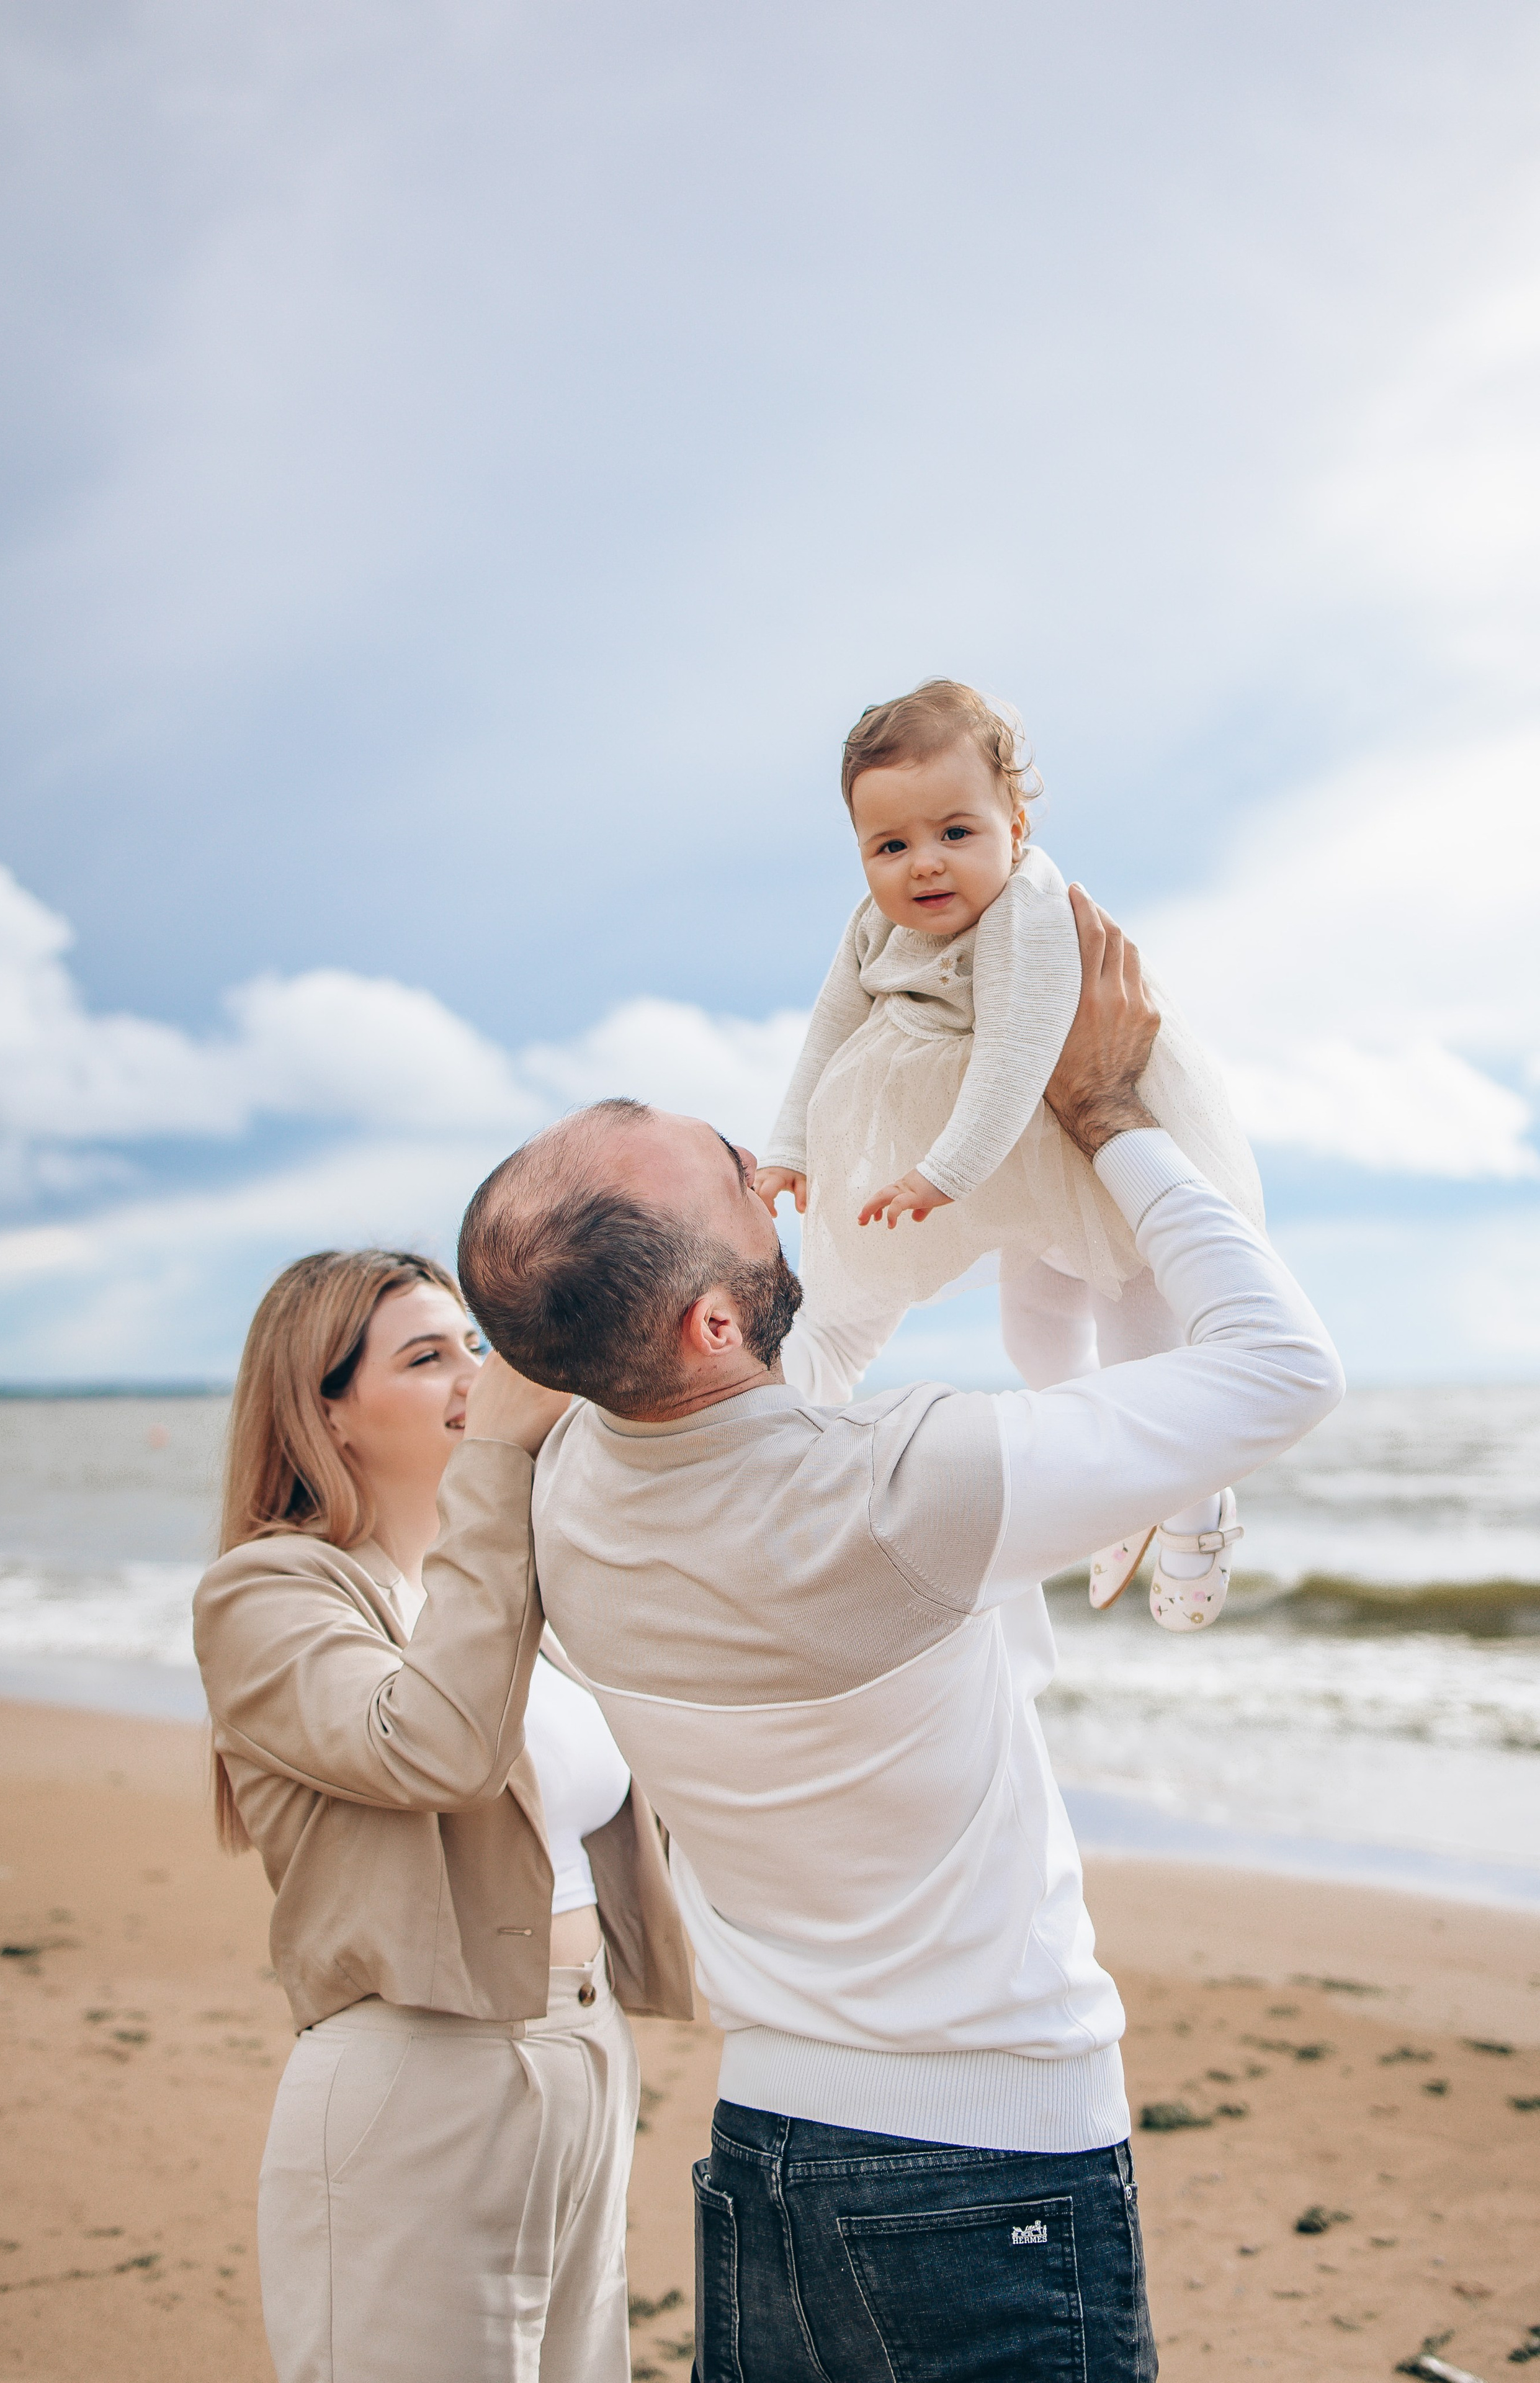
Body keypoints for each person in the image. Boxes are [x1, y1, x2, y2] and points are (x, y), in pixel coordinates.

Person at [457, 893, 1344, 2383]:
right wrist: (1114, 1115)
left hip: (771, 2149)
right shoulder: (892, 1492)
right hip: (982, 2164)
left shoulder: (569, 1503)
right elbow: (1276, 1370)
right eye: (739, 1180)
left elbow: (805, 1347)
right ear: (710, 1330)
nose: (768, 1170)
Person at [193, 1247, 692, 2383]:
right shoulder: (269, 1594)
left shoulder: (521, 1600)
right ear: (326, 1416)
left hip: (584, 2050)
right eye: (427, 1357)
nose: (476, 1373)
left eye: (477, 1344)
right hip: (418, 2077)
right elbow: (439, 1748)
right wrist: (504, 1467)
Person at [755, 679, 1266, 1627]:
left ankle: (1194, 1504)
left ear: (1016, 824)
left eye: (956, 832)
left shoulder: (1028, 909)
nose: (925, 866)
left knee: (1139, 1348)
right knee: (1032, 1339)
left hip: (1090, 1146)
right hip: (1010, 1173)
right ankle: (1115, 1481)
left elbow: (1016, 1057)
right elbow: (830, 1028)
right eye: (890, 846)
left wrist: (943, 1173)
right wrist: (790, 1147)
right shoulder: (875, 925)